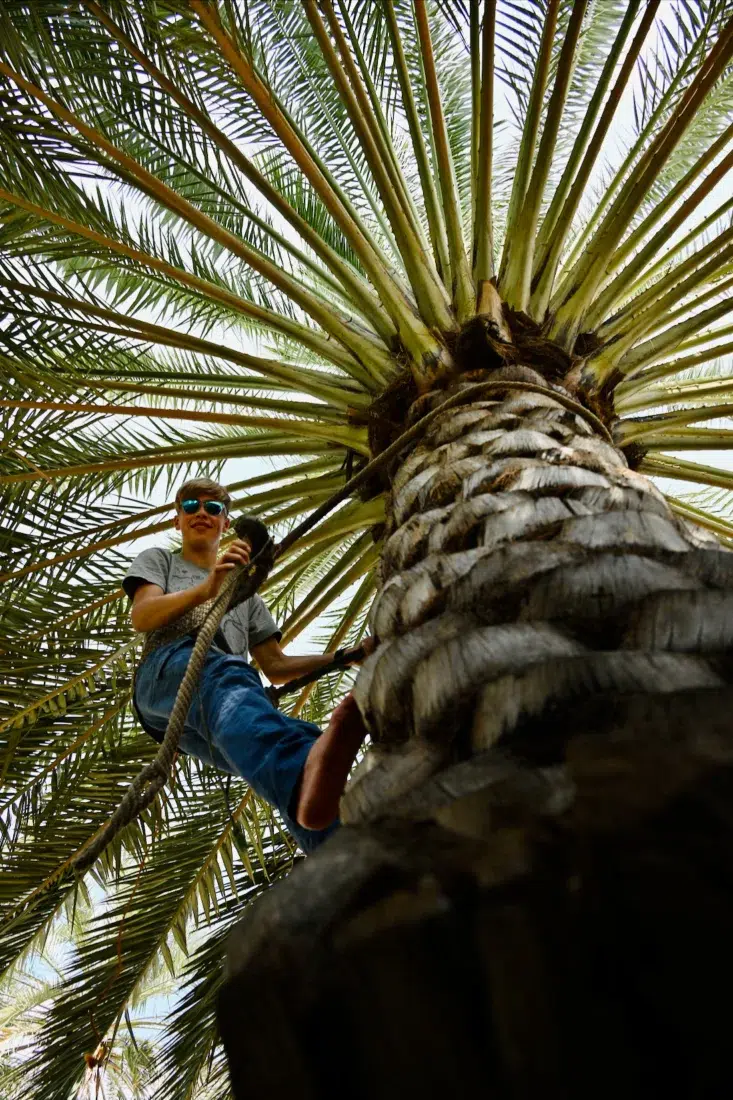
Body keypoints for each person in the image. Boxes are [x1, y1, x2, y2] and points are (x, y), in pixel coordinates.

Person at [123, 477, 371, 853]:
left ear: (226, 522)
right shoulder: (161, 561)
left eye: (213, 508)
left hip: (218, 709)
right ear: (177, 521)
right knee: (233, 682)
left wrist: (343, 657)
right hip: (167, 670)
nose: (201, 513)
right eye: (190, 507)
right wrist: (209, 588)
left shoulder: (249, 599)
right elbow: (142, 616)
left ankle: (336, 845)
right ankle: (307, 774)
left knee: (268, 741)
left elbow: (275, 664)